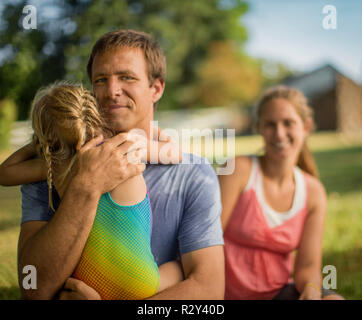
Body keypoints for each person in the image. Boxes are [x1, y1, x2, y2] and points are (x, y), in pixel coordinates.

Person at [11, 29, 224, 300]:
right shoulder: (55, 166)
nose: (111, 91)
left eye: (127, 77)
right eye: (101, 80)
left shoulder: (192, 174)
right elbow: (32, 289)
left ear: (156, 88)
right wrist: (85, 187)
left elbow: (209, 292)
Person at [0, 82, 184, 299]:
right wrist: (158, 134)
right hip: (140, 280)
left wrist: (41, 143)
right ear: (96, 116)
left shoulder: (53, 166)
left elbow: (5, 173)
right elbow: (174, 153)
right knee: (179, 268)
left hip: (87, 282)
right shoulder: (123, 146)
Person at [219, 86, 343, 300]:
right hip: (223, 295)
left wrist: (311, 290)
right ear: (258, 128)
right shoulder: (237, 170)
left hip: (278, 294)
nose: (279, 133)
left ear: (306, 127)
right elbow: (205, 242)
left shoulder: (313, 192)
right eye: (270, 124)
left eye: (288, 123)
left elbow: (309, 266)